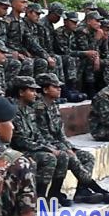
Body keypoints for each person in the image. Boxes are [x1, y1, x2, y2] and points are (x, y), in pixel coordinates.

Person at [34, 73, 109, 204]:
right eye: (55, 87)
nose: (59, 89)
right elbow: (43, 135)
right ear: (45, 89)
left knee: (87, 157)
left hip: (58, 145)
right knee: (69, 157)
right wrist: (64, 149)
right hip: (45, 146)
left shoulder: (53, 105)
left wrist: (69, 147)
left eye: (59, 86)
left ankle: (82, 191)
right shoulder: (38, 108)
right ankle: (94, 188)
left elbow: (60, 133)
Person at [9, 76, 69, 205]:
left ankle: (54, 194)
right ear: (21, 92)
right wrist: (46, 149)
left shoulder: (29, 110)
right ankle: (39, 197)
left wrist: (50, 147)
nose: (35, 94)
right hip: (18, 151)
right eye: (31, 90)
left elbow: (37, 134)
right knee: (49, 158)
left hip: (32, 148)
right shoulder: (12, 111)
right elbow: (20, 140)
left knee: (62, 155)